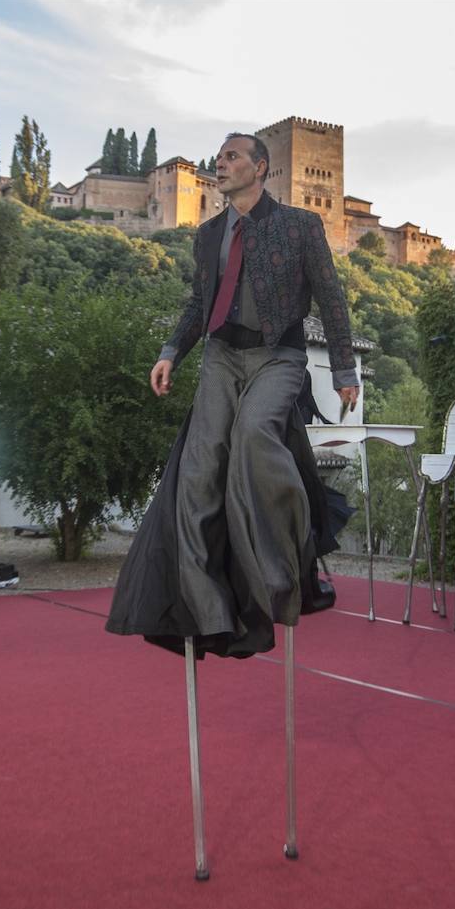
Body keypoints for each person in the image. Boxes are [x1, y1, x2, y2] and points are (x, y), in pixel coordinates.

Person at [106, 133, 359, 657]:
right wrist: (171, 351)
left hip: (278, 355)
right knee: (198, 474)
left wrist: (343, 369)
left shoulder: (300, 226)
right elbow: (200, 303)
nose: (219, 165)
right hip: (220, 357)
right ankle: (208, 609)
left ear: (260, 168)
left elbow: (332, 300)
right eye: (218, 158)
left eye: (231, 157)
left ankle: (290, 571)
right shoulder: (208, 235)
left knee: (252, 438)